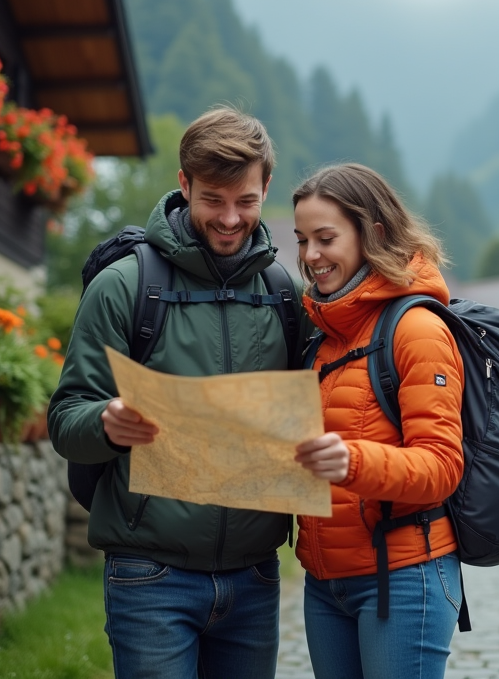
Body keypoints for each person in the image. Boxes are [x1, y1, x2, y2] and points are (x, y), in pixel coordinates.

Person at [48, 107, 312, 679]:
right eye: (213, 199)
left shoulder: (286, 295)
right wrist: (106, 423)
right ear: (184, 183)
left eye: (246, 201)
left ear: (267, 187)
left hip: (256, 577)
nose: (229, 218)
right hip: (150, 579)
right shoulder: (125, 286)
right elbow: (66, 418)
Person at [291, 163, 465, 679]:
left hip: (405, 576)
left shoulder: (418, 330)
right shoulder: (322, 339)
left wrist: (351, 460)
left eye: (325, 238)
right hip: (324, 581)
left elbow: (440, 467)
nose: (310, 257)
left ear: (375, 234)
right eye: (301, 240)